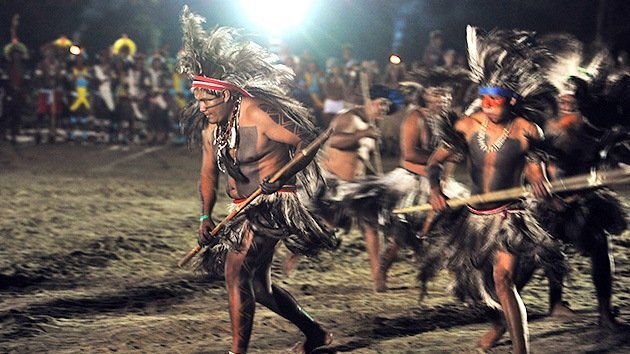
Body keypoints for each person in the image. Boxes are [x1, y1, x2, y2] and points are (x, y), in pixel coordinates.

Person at [178, 8, 337, 354]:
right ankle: (316, 334)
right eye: (198, 100)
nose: (202, 108)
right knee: (260, 287)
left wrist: (285, 178)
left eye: (207, 100)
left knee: (236, 273)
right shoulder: (212, 129)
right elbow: (208, 174)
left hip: (274, 204)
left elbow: (307, 142)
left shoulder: (259, 113)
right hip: (241, 208)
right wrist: (206, 216)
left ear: (226, 94)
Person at [424, 26, 567, 353]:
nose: (488, 105)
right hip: (475, 218)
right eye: (484, 98)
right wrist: (435, 190)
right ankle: (499, 323)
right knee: (475, 284)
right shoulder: (467, 125)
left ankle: (521, 350)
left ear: (512, 100)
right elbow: (434, 162)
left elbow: (534, 171)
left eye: (496, 99)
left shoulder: (526, 130)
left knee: (503, 280)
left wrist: (539, 181)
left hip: (509, 216)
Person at [535, 34, 627, 328]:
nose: (566, 101)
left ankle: (603, 311)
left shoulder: (595, 128)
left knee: (600, 245)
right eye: (562, 97)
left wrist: (612, 158)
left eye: (572, 98)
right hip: (549, 198)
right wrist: (548, 196)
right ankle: (555, 304)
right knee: (548, 249)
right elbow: (531, 158)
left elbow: (607, 159)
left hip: (585, 199)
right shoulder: (545, 126)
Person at [284, 84, 398, 292]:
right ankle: (294, 256)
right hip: (332, 184)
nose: (383, 109)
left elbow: (362, 161)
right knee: (326, 228)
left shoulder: (370, 127)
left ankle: (378, 277)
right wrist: (360, 134)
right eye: (380, 104)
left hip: (354, 187)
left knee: (372, 225)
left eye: (386, 106)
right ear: (367, 101)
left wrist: (378, 180)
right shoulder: (349, 118)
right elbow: (333, 141)